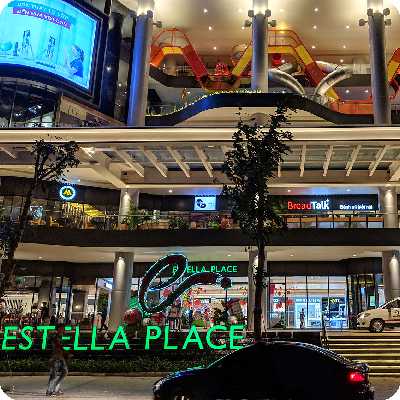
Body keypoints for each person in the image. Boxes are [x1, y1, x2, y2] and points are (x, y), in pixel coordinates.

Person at [46, 325, 69, 397]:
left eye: (63, 329)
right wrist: (66, 353)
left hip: (61, 358)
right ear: (58, 329)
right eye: (61, 329)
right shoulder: (55, 337)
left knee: (65, 372)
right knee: (54, 375)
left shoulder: (60, 337)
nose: (63, 330)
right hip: (55, 358)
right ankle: (49, 391)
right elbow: (58, 346)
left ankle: (56, 388)